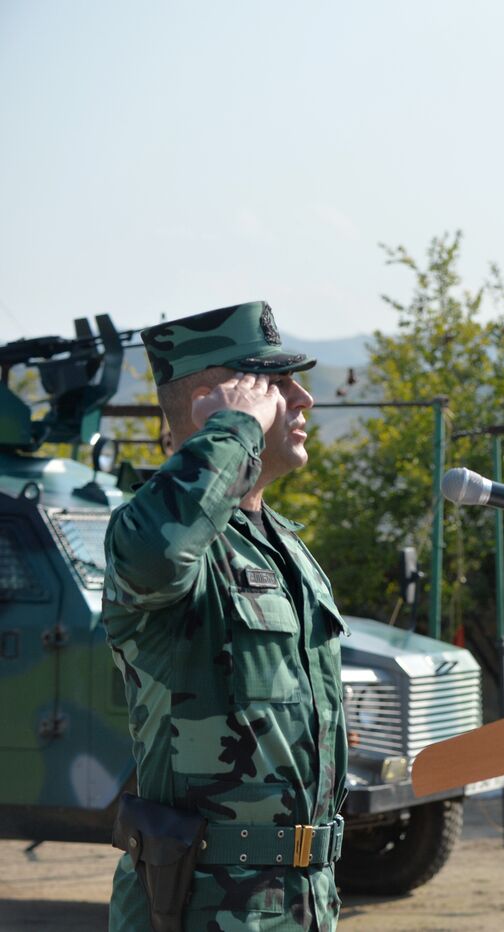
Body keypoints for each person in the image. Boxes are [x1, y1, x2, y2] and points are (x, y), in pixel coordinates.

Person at [103, 301, 348, 930]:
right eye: (275, 385)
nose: (303, 400)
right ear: (215, 400)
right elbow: (161, 553)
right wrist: (233, 429)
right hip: (202, 903)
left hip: (301, 901)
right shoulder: (151, 532)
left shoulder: (281, 543)